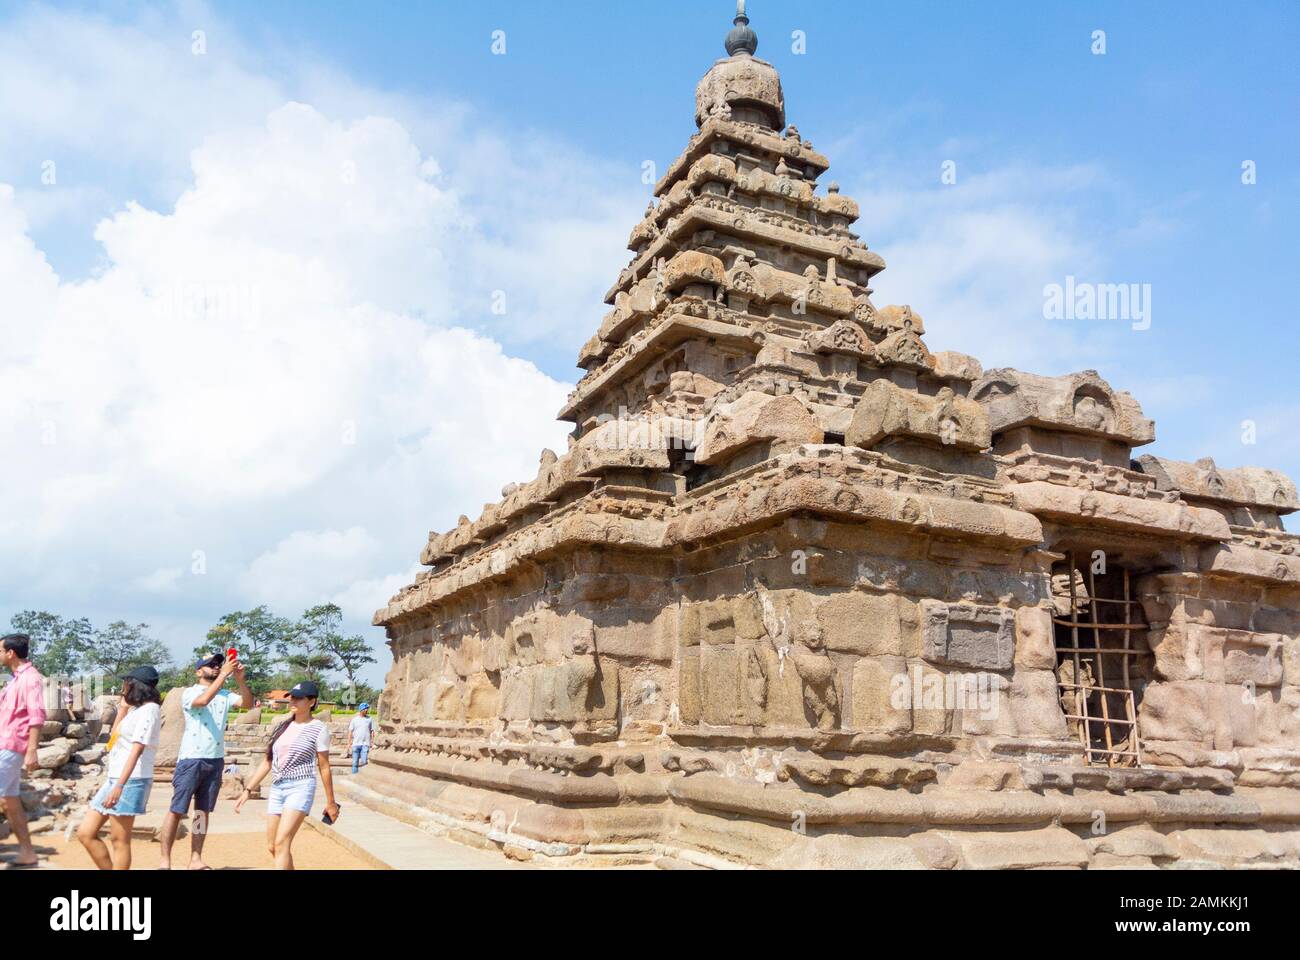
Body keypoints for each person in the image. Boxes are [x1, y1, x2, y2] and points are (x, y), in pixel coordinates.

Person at [157, 651, 253, 870]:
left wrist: (240, 680)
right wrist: (224, 676)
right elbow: (202, 701)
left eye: (218, 664)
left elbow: (248, 703)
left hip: (215, 759)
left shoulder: (225, 694)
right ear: (198, 671)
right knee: (177, 809)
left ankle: (196, 858)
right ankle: (165, 861)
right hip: (192, 759)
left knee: (202, 812)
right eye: (210, 665)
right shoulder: (190, 692)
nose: (216, 667)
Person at [235, 680, 339, 869]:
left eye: (299, 698)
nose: (293, 701)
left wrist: (330, 801)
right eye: (292, 697)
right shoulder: (283, 726)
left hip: (300, 786)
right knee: (273, 846)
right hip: (278, 787)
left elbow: (324, 766)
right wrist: (248, 790)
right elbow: (268, 761)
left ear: (312, 702)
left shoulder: (318, 728)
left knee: (282, 842)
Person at [76, 666, 162, 870]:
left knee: (119, 840)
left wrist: (120, 786)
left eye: (127, 682)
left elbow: (137, 750)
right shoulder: (136, 710)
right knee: (85, 832)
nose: (124, 686)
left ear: (136, 685)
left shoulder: (150, 710)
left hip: (131, 779)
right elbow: (112, 740)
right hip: (116, 777)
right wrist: (123, 709)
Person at [0, 634, 47, 869]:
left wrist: (32, 750)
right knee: (10, 802)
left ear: (11, 653)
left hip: (12, 746)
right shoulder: (16, 679)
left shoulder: (30, 678)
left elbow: (37, 716)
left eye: (0, 650)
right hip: (7, 745)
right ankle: (27, 852)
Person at [347, 702, 374, 774]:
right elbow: (350, 731)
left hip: (365, 744)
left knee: (364, 762)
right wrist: (349, 743)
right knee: (355, 763)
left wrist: (372, 742)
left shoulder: (370, 719)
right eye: (365, 709)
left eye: (367, 709)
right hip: (356, 744)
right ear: (361, 710)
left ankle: (362, 777)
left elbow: (372, 731)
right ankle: (354, 777)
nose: (366, 710)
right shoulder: (354, 720)